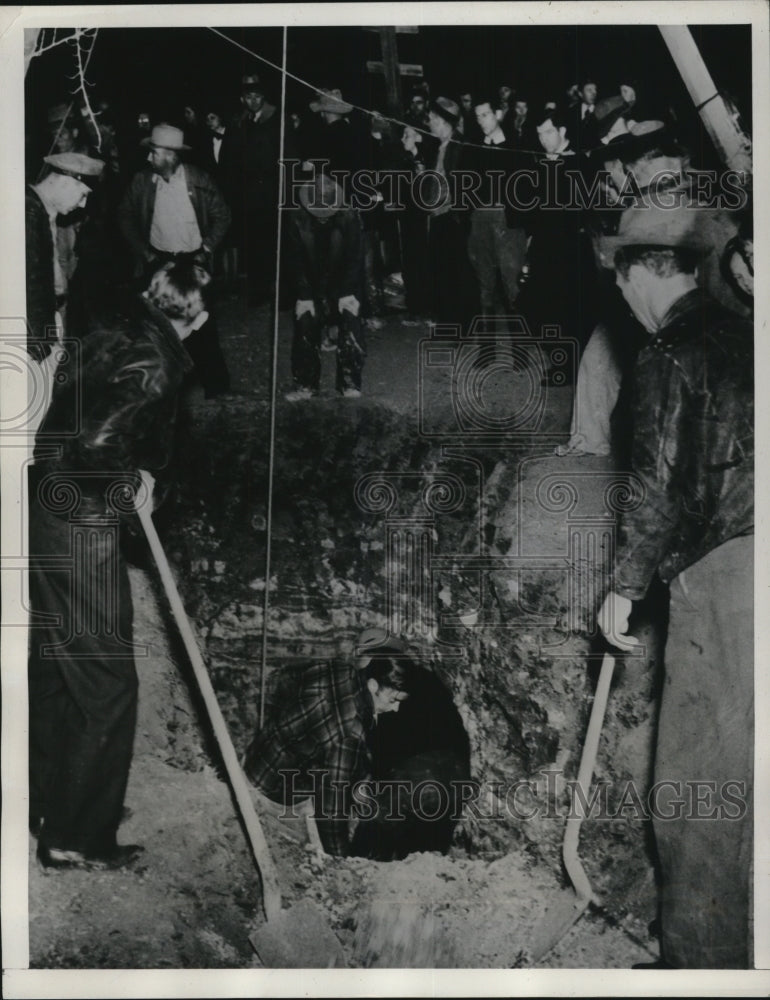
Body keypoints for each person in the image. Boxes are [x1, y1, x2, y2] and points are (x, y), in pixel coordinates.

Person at [596, 204, 753, 968]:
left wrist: (623, 586)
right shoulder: (748, 330)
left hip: (728, 575)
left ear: (640, 274)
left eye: (620, 283)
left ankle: (699, 964)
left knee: (696, 784)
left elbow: (654, 482)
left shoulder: (670, 351)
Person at [28, 261, 212, 871]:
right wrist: (133, 479)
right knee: (109, 681)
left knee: (59, 664)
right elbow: (98, 445)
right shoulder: (160, 362)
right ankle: (78, 835)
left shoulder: (112, 326)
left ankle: (54, 801)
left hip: (48, 500)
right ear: (200, 317)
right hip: (82, 519)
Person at [242, 636, 411, 857]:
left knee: (350, 773)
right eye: (392, 700)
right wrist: (341, 859)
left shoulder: (340, 669)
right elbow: (331, 809)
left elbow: (288, 680)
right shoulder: (349, 732)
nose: (396, 709)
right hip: (271, 789)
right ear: (372, 685)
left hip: (257, 755)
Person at [117, 123, 231, 397]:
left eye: (154, 153)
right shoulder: (142, 181)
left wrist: (207, 248)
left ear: (170, 155)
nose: (149, 158)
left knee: (202, 324)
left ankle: (216, 386)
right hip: (159, 261)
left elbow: (223, 215)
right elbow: (124, 214)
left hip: (193, 261)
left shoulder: (198, 179)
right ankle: (166, 389)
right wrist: (144, 253)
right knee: (159, 328)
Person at [283, 172, 366, 400]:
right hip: (311, 283)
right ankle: (306, 384)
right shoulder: (295, 219)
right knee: (305, 323)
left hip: (343, 283)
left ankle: (349, 383)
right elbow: (294, 262)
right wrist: (304, 295)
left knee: (352, 323)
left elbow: (355, 259)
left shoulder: (350, 217)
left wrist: (347, 293)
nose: (322, 217)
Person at [226, 74, 281, 305]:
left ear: (264, 97)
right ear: (242, 99)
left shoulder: (277, 119)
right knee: (255, 245)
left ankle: (282, 293)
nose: (253, 101)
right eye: (249, 97)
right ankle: (259, 291)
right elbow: (231, 159)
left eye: (257, 96)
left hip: (274, 193)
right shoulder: (240, 123)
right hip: (250, 196)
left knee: (278, 245)